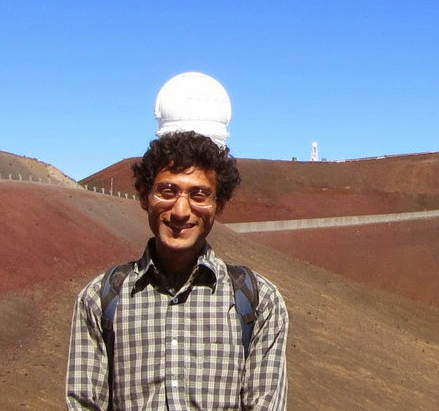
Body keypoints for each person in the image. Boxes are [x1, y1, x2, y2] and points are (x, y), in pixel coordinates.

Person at [67, 132, 289, 410]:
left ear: (217, 205)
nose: (181, 211)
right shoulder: (100, 300)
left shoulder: (259, 302)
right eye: (167, 192)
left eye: (199, 194)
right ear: (145, 197)